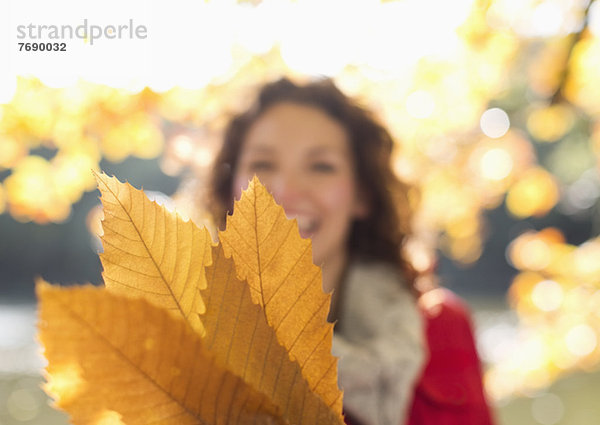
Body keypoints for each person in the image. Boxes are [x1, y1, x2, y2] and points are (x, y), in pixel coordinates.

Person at [206, 77, 494, 425]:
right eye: (262, 165)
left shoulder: (441, 328)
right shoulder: (182, 324)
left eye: (321, 166)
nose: (285, 190)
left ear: (362, 194)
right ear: (229, 190)